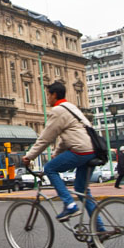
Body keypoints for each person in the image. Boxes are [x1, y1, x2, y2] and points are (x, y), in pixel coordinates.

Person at [22, 81, 104, 232]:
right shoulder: (72, 107)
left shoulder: (58, 110)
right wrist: (57, 154)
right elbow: (66, 138)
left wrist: (29, 156)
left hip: (81, 151)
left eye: (48, 95)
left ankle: (69, 205)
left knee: (49, 169)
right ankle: (100, 229)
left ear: (54, 95)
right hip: (92, 150)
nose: (47, 98)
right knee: (82, 190)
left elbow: (46, 138)